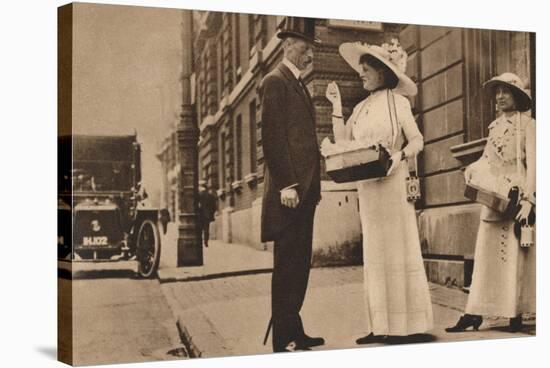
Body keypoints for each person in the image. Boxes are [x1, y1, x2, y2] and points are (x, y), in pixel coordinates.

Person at [326, 39, 433, 344]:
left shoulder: (397, 103)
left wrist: (399, 158)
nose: (361, 73)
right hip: (369, 188)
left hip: (393, 185)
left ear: (383, 73)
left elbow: (417, 141)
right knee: (374, 252)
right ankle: (380, 324)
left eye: (367, 68)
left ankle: (404, 326)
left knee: (397, 250)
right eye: (360, 68)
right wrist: (335, 106)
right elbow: (344, 140)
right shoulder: (359, 108)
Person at [446, 73, 536, 333]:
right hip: (495, 195)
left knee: (515, 257)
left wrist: (530, 200)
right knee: (486, 255)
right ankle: (474, 312)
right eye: (497, 91)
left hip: (517, 196)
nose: (499, 96)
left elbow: (535, 165)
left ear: (517, 96)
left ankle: (515, 313)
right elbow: (488, 159)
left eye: (505, 91)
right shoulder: (494, 127)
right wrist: (471, 169)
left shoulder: (529, 126)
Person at [260, 17, 324, 353]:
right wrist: (287, 185)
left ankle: (293, 327)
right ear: (287, 46)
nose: (310, 55)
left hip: (305, 193)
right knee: (287, 265)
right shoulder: (275, 81)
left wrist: (313, 187)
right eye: (305, 48)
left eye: (312, 49)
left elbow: (303, 140)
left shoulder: (297, 83)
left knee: (299, 265)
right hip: (290, 194)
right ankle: (283, 337)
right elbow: (272, 139)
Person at [198, 182, 217, 248]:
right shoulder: (210, 196)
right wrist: (211, 213)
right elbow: (214, 206)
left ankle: (199, 242)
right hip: (207, 215)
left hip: (200, 215)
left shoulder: (198, 195)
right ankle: (206, 242)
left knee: (200, 229)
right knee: (206, 229)